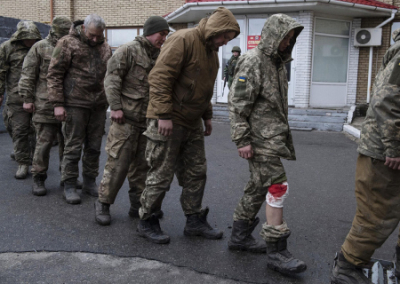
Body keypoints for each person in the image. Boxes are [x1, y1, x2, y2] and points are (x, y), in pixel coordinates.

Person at [137, 7, 240, 244]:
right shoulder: (183, 39)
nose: (225, 42)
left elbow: (203, 88)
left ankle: (194, 220)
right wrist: (163, 114)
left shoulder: (211, 50)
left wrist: (207, 116)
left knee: (196, 172)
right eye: (224, 36)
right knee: (161, 174)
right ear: (216, 29)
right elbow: (160, 77)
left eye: (229, 39)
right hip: (168, 118)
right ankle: (146, 220)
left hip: (191, 120)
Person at [228, 14, 307, 274]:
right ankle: (277, 251)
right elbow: (238, 105)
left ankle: (239, 236)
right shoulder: (253, 61)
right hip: (259, 140)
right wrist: (242, 140)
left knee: (257, 187)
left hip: (272, 138)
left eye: (291, 38)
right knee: (277, 186)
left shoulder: (276, 62)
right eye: (285, 36)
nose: (288, 42)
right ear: (273, 34)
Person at [331, 28, 400, 284]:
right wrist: (394, 147)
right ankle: (347, 268)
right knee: (376, 212)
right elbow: (385, 100)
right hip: (385, 151)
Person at [94, 16, 170, 226]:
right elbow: (112, 79)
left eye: (165, 35)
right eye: (161, 34)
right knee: (118, 164)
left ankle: (138, 205)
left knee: (142, 167)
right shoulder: (128, 50)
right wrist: (115, 107)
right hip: (125, 119)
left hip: (147, 121)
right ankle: (103, 203)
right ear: (149, 32)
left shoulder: (160, 55)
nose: (163, 38)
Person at [47, 14, 112, 204]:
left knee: (94, 147)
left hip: (98, 105)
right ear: (84, 28)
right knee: (73, 146)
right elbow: (54, 74)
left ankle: (90, 182)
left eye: (98, 36)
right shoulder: (67, 43)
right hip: (74, 103)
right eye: (92, 35)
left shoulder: (105, 46)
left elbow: (110, 75)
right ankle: (69, 184)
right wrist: (57, 104)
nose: (95, 39)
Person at [19, 16, 72, 196]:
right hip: (44, 103)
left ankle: (68, 178)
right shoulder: (40, 47)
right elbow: (28, 74)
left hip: (69, 104)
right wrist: (27, 98)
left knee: (69, 144)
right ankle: (39, 177)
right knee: (44, 143)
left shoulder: (72, 46)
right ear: (54, 32)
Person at [0, 21, 42, 179]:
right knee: (19, 130)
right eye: (27, 38)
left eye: (33, 38)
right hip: (16, 96)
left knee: (38, 131)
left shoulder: (40, 47)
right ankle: (23, 162)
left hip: (38, 96)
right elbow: (1, 71)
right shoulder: (7, 48)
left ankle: (33, 159)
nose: (30, 41)